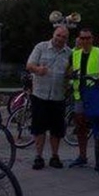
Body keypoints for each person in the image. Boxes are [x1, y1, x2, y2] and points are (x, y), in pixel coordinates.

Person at [25, 25, 71, 170]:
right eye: (58, 35)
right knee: (39, 128)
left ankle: (54, 156)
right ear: (53, 34)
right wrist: (38, 69)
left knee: (56, 129)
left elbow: (71, 72)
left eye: (64, 37)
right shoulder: (41, 47)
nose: (60, 39)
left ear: (67, 39)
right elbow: (29, 65)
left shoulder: (69, 53)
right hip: (40, 95)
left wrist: (69, 79)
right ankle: (38, 157)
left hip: (58, 96)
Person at [69, 28, 99, 167]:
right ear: (79, 39)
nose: (85, 41)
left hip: (94, 95)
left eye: (88, 38)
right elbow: (69, 71)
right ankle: (82, 156)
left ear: (92, 39)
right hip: (79, 94)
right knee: (80, 126)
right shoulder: (75, 54)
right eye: (83, 38)